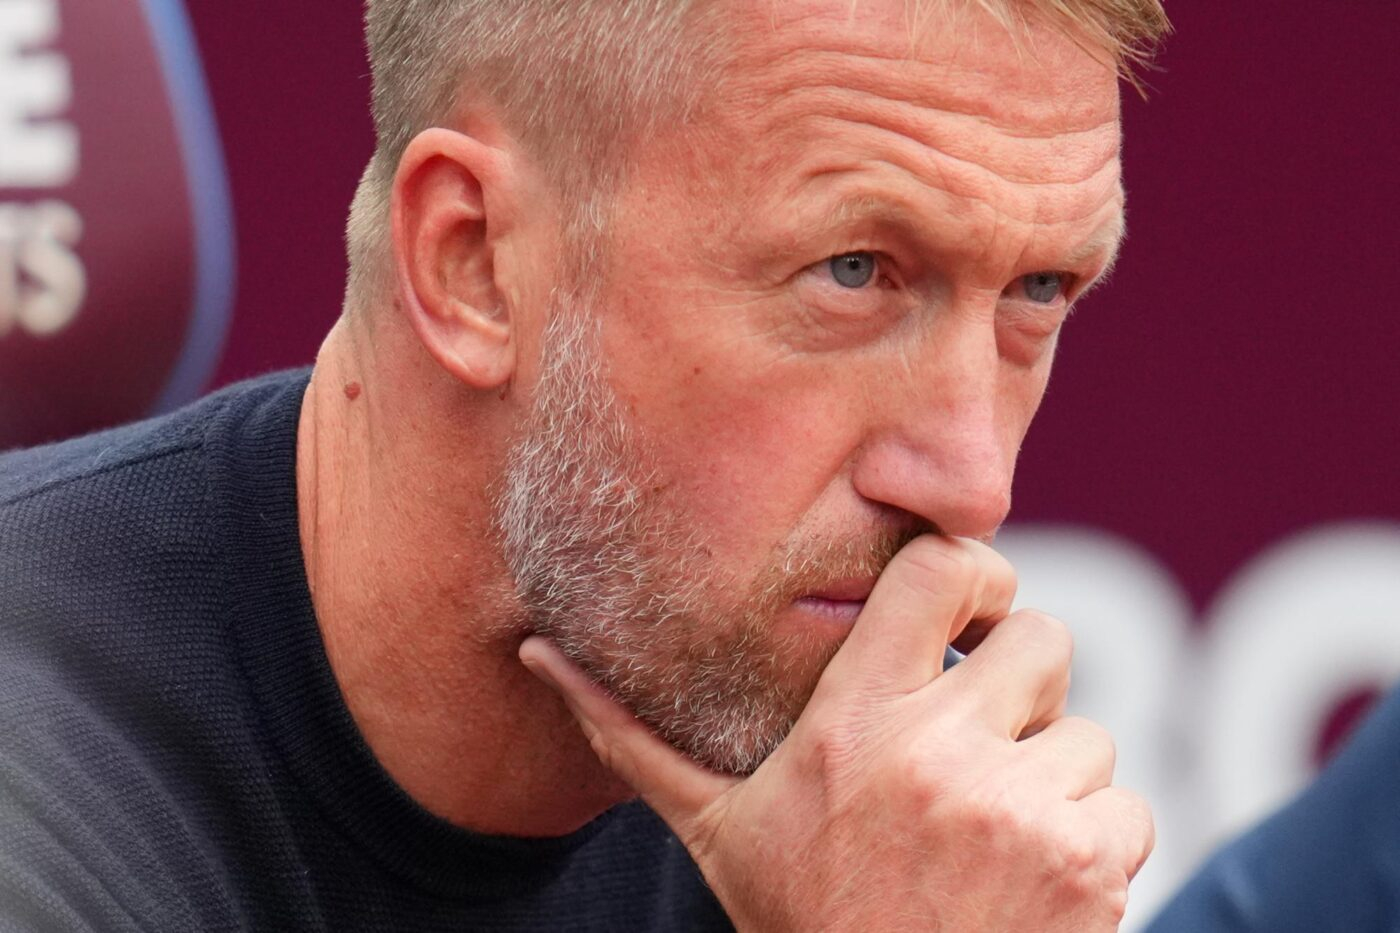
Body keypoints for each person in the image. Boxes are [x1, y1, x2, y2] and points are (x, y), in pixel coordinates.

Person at [0, 0, 1169, 929]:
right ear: (472, 264)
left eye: (1037, 290)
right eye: (852, 271)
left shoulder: (903, 828)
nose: (971, 484)